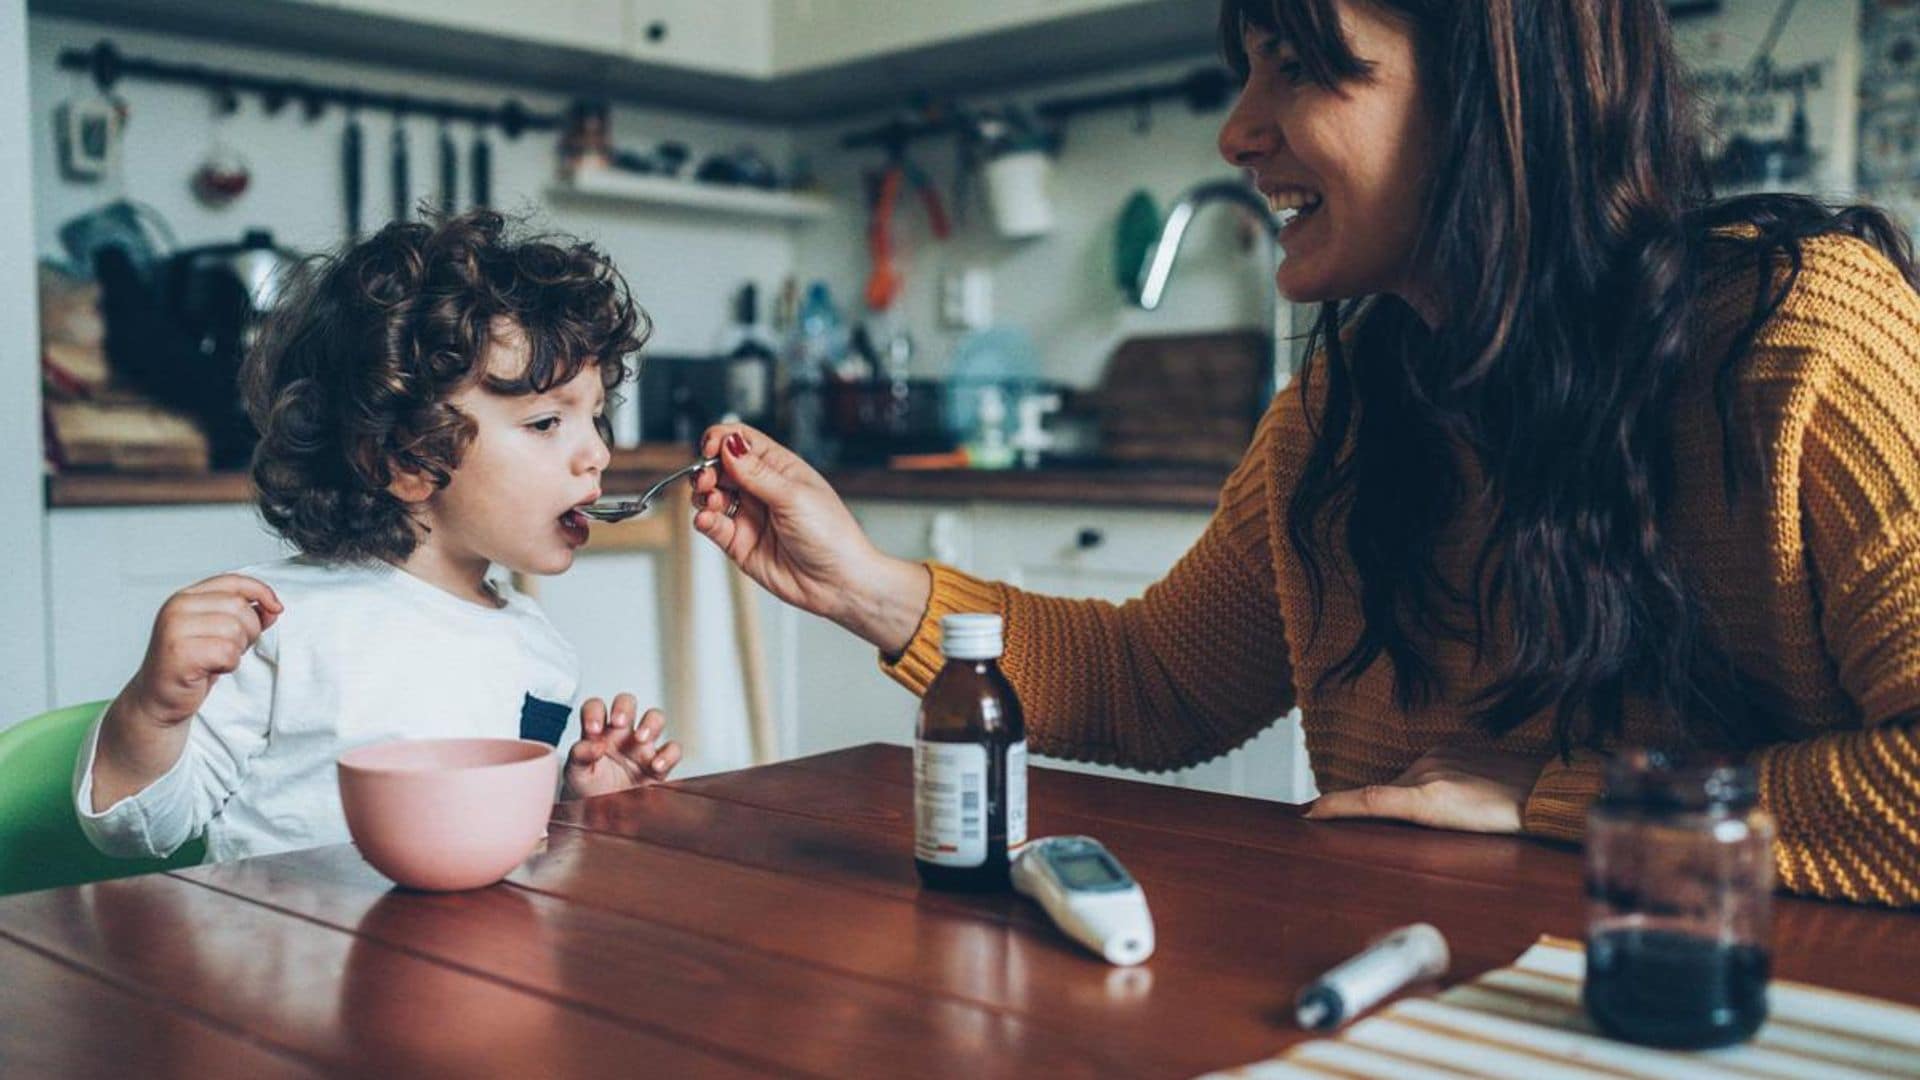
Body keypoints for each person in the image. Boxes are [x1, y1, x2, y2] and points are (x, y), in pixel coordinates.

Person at [688, 0, 1920, 907]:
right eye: (1248, 72)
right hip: (1422, 987)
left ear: (1496, 88)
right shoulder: (1344, 402)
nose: (1238, 132)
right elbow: (1160, 680)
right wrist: (857, 580)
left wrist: (1565, 803)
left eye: (1301, 68)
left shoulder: (1801, 336)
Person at [76, 211, 682, 865]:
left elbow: (512, 847)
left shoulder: (542, 652)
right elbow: (137, 831)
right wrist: (153, 712)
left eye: (595, 419)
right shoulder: (277, 623)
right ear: (405, 459)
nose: (596, 453)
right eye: (544, 423)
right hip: (286, 962)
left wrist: (577, 802)